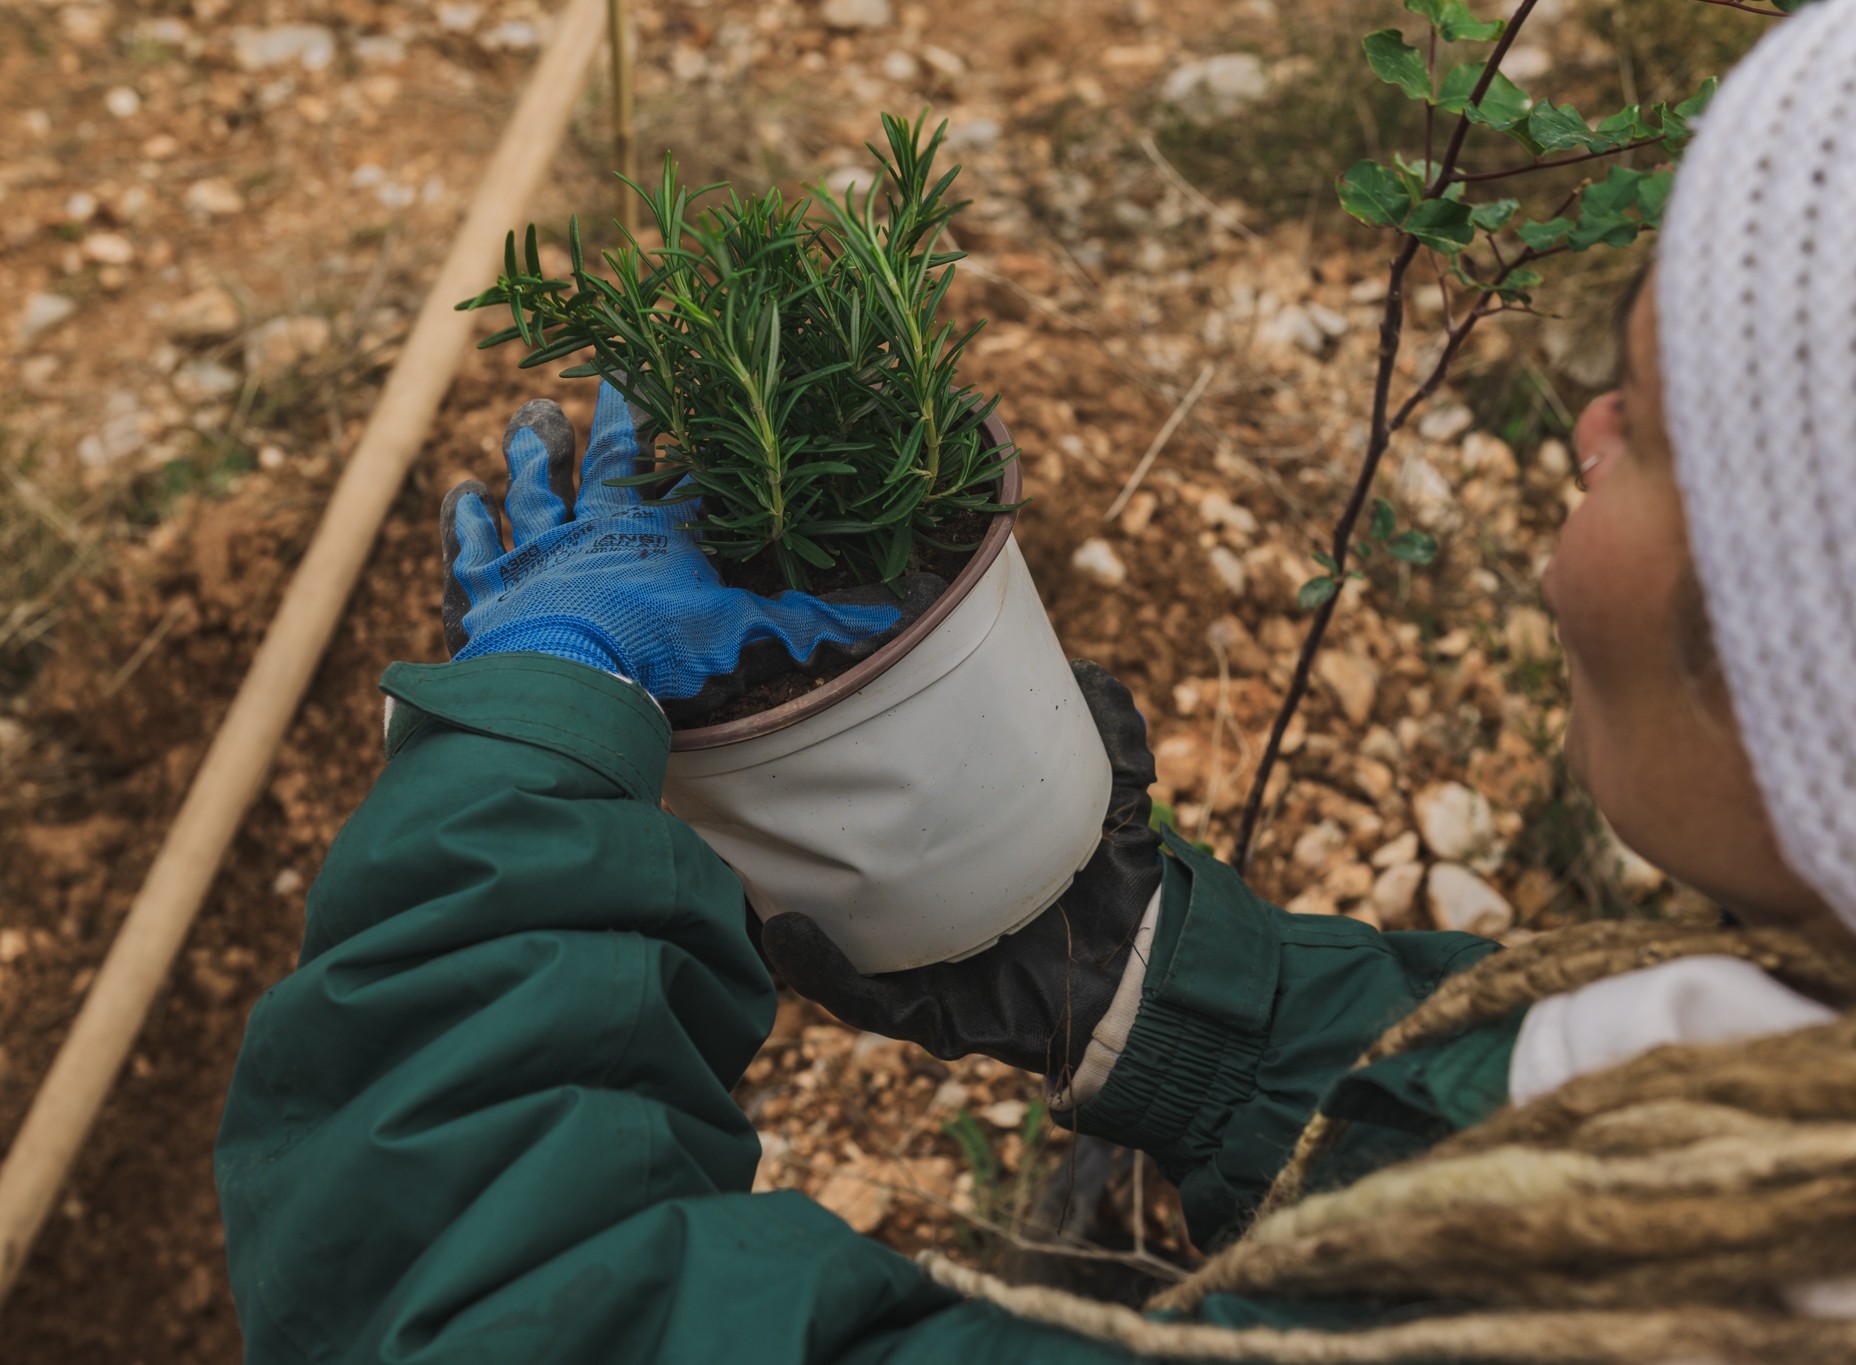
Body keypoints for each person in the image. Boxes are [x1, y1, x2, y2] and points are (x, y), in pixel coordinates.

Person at [215, 5, 1856, 1361]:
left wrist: (522, 758)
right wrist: (1157, 989)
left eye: (1643, 420)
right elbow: (1536, 1119)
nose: (1582, 435)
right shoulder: (1750, 1143)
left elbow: (480, 1297)